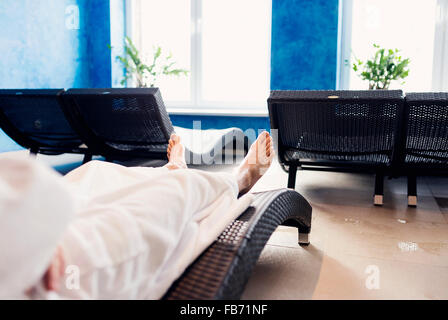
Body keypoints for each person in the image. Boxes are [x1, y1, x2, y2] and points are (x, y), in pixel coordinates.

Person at [0, 131, 274, 300]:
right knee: (176, 192)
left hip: (17, 238)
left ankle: (173, 169)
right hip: (53, 278)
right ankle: (239, 178)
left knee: (95, 171)